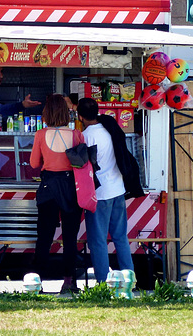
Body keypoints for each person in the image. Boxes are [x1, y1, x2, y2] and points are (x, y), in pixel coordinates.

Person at [76, 97, 134, 283]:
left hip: (99, 194)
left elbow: (81, 165)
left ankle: (103, 282)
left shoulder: (86, 136)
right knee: (120, 238)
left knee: (98, 241)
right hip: (118, 190)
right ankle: (129, 277)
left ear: (80, 116)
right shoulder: (110, 130)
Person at [29, 94, 83, 294]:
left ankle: (37, 281)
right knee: (70, 237)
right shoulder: (77, 134)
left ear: (46, 113)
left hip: (48, 188)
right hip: (70, 187)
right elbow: (81, 163)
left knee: (44, 237)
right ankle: (69, 282)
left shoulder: (40, 135)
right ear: (65, 112)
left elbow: (34, 164)